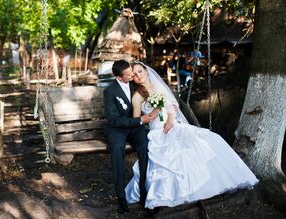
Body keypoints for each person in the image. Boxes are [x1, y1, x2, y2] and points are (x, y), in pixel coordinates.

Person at [125, 62, 258, 209]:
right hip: (157, 131)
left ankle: (214, 181)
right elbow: (136, 121)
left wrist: (169, 121)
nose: (138, 75)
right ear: (132, 78)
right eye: (135, 74)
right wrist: (152, 115)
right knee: (168, 155)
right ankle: (169, 193)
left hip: (172, 125)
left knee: (207, 139)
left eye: (140, 71)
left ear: (145, 71)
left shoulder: (158, 86)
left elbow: (171, 108)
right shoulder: (137, 96)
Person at [103, 60, 158, 214]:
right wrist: (140, 120)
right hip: (117, 129)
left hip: (134, 128)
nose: (133, 74)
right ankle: (120, 196)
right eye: (129, 74)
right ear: (120, 78)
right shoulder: (110, 91)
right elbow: (114, 120)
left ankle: (143, 191)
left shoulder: (134, 84)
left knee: (145, 146)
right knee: (117, 149)